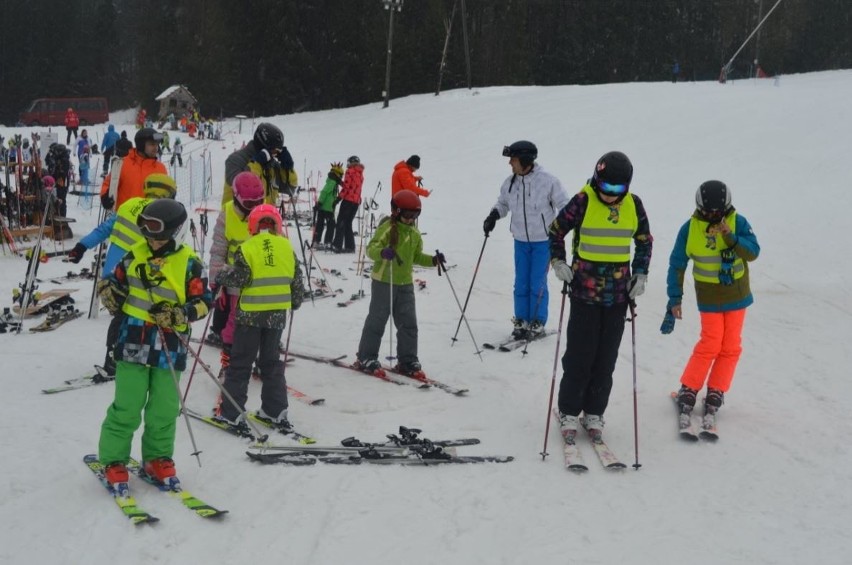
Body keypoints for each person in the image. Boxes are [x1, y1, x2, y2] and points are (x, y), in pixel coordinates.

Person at [95, 198, 211, 488]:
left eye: (157, 232)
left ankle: (157, 458)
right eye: (146, 230)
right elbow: (115, 288)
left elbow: (205, 303)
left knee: (164, 406)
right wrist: (108, 292)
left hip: (170, 344)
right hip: (134, 340)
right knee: (127, 405)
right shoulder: (133, 256)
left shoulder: (190, 264)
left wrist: (179, 313)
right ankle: (114, 459)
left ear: (174, 231)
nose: (151, 238)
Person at [548, 151, 652, 440]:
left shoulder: (633, 205)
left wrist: (641, 273)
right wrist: (558, 262)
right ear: (596, 180)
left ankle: (594, 411)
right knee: (580, 356)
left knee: (606, 359)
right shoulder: (583, 200)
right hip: (584, 292)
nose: (609, 195)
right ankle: (569, 410)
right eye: (605, 187)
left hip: (618, 296)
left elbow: (644, 241)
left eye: (617, 190)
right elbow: (556, 231)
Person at [664, 181, 760, 418]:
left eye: (718, 213)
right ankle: (689, 387)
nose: (713, 217)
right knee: (711, 343)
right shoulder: (690, 229)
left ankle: (717, 390)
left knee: (730, 346)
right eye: (708, 213)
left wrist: (731, 238)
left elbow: (753, 252)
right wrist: (674, 298)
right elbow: (677, 264)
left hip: (737, 296)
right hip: (709, 298)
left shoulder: (738, 222)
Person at [69, 174, 179, 376]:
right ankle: (119, 359)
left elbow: (104, 229)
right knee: (132, 319)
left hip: (111, 277)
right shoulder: (164, 218)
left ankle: (114, 355)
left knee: (120, 317)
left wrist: (81, 246)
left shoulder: (129, 205)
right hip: (137, 279)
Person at [213, 204, 305, 428]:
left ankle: (231, 412)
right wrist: (294, 302)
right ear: (277, 226)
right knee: (271, 362)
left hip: (250, 315)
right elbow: (297, 282)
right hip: (276, 316)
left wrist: (222, 275)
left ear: (252, 225)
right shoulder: (286, 248)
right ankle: (275, 410)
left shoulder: (247, 247)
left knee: (241, 362)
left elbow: (240, 279)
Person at [482, 140, 569, 339]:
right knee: (521, 282)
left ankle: (537, 320)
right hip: (520, 240)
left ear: (525, 160)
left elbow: (565, 205)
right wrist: (494, 215)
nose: (510, 163)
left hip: (542, 241)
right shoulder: (510, 182)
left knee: (537, 282)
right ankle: (521, 319)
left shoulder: (548, 181)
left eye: (513, 159)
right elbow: (503, 203)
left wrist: (559, 228)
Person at [354, 190, 444, 375]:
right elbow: (371, 249)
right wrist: (383, 252)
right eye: (408, 215)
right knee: (377, 320)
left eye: (415, 215)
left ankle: (408, 360)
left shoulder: (414, 234)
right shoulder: (387, 227)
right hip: (384, 281)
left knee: (408, 322)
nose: (411, 219)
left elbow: (416, 257)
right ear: (396, 211)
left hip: (405, 283)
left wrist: (433, 260)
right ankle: (366, 356)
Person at [207, 172, 266, 363]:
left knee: (262, 323)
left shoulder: (266, 216)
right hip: (234, 282)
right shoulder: (227, 215)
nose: (254, 209)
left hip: (260, 282)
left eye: (259, 202)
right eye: (249, 205)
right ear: (237, 199)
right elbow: (218, 251)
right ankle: (228, 362)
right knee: (234, 326)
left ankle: (258, 356)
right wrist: (217, 281)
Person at [221, 122, 297, 206]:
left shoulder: (271, 165)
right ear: (263, 147)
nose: (274, 155)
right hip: (237, 218)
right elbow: (245, 189)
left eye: (277, 152)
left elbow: (290, 189)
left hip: (263, 217)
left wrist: (287, 169)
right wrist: (256, 163)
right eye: (273, 151)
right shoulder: (236, 160)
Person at [99, 128, 167, 211]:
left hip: (149, 219)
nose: (156, 148)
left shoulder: (161, 168)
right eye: (152, 144)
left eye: (157, 144)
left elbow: (165, 192)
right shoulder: (122, 164)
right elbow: (108, 184)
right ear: (141, 145)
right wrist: (105, 196)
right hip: (124, 219)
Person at [332, 155, 365, 253]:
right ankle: (350, 246)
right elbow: (352, 186)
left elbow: (347, 188)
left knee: (341, 222)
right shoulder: (360, 173)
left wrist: (338, 198)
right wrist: (340, 182)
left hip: (348, 201)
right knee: (348, 223)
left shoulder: (350, 171)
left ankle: (337, 245)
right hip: (356, 202)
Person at [312, 162, 343, 248]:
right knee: (331, 225)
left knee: (320, 225)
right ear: (337, 174)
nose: (341, 177)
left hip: (326, 207)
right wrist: (320, 203)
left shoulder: (333, 182)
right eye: (341, 175)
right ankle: (327, 242)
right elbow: (324, 192)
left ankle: (316, 241)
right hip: (327, 208)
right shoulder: (332, 182)